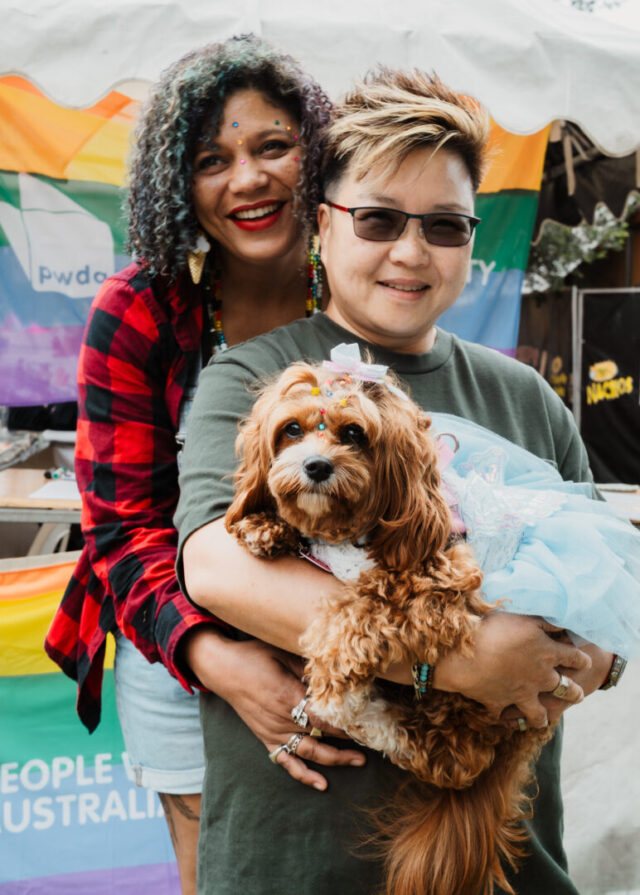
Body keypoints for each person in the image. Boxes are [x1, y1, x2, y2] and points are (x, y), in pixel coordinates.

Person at [176, 69, 621, 895]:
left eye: (445, 226)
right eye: (379, 218)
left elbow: (608, 602)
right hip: (301, 860)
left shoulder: (523, 394)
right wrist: (456, 662)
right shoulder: (256, 377)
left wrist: (588, 657)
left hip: (505, 861)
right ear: (323, 224)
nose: (412, 251)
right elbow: (215, 567)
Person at [43, 36, 369, 895]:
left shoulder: (360, 295)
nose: (247, 179)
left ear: (318, 151)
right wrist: (216, 658)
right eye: (210, 159)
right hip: (179, 653)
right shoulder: (139, 312)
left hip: (343, 640)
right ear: (174, 183)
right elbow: (120, 529)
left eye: (272, 145)